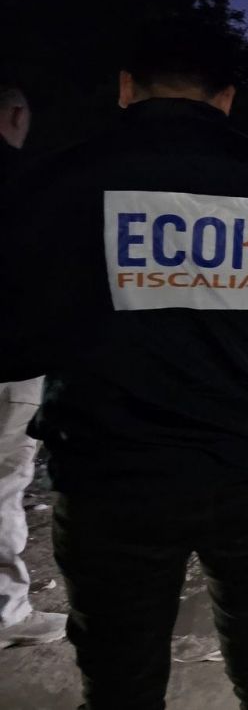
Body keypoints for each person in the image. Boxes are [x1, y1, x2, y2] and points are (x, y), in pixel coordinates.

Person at [0, 23, 248, 708]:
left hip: (114, 469)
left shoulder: (58, 182)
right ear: (226, 98)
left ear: (125, 88)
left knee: (118, 666)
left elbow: (13, 340)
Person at [0, 84, 68, 649]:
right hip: (7, 363)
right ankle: (6, 614)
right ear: (16, 114)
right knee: (2, 485)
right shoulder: (26, 185)